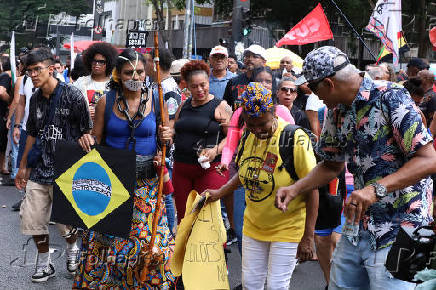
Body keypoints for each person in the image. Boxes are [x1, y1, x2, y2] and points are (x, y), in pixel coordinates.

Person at [275, 46, 436, 289]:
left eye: (313, 87)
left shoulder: (391, 97)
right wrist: (296, 188)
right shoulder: (337, 110)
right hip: (357, 226)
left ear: (328, 83)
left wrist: (375, 190)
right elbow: (331, 164)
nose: (314, 96)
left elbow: (428, 159)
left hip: (401, 227)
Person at [74, 48, 175, 288]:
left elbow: (166, 142)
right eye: (129, 72)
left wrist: (167, 137)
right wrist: (87, 139)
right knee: (106, 247)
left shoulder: (157, 99)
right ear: (118, 75)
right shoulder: (105, 102)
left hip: (148, 185)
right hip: (112, 184)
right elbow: (95, 139)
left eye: (140, 72)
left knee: (148, 246)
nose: (135, 77)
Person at [206, 82, 318, 289]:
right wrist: (220, 192)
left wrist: (308, 237)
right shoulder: (248, 135)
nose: (258, 130)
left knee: (276, 285)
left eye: (263, 124)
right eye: (251, 124)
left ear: (273, 113)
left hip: (288, 227)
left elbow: (312, 187)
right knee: (250, 284)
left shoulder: (294, 138)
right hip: (254, 226)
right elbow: (244, 172)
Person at [15, 49, 92, 282]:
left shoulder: (73, 94)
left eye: (37, 69)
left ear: (52, 68)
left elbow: (87, 129)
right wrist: (23, 166)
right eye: (29, 71)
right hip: (40, 167)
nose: (33, 74)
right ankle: (45, 262)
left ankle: (72, 250)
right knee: (32, 219)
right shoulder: (35, 98)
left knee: (64, 224)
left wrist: (87, 138)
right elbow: (32, 133)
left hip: (66, 168)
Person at [171, 60, 232, 222]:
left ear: (208, 82)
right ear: (187, 87)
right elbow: (173, 130)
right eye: (194, 86)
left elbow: (232, 137)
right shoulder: (183, 105)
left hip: (210, 168)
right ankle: (186, 248)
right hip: (181, 168)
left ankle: (213, 247)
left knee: (206, 217)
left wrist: (215, 150)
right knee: (184, 218)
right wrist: (167, 134)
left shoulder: (221, 106)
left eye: (203, 85)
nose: (199, 90)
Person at [74, 42, 118, 122]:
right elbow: (71, 105)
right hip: (84, 130)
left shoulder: (115, 84)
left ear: (108, 63)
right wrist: (84, 111)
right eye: (94, 61)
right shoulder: (81, 82)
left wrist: (100, 112)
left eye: (101, 62)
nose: (96, 64)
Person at [223, 44, 267, 110]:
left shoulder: (270, 82)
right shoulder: (233, 82)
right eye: (247, 56)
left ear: (264, 62)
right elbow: (225, 108)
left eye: (255, 56)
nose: (250, 59)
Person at [0, 56, 12, 175]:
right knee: (2, 140)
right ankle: (2, 167)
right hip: (1, 113)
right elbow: (2, 91)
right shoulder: (6, 76)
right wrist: (10, 101)